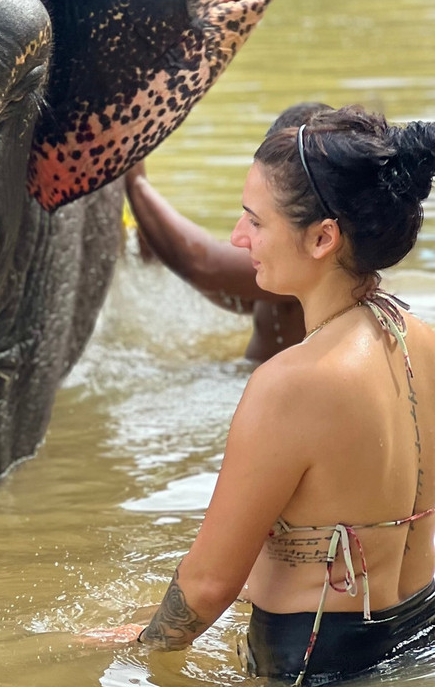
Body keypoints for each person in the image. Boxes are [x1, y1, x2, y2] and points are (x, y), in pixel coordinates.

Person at [106, 105, 435, 684]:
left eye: (255, 221)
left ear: (322, 238)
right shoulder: (424, 341)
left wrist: (133, 647)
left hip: (313, 664)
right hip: (417, 632)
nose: (238, 237)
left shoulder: (290, 384)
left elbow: (208, 584)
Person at [123, 102, 333, 363]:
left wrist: (134, 179)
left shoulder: (304, 255)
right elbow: (234, 292)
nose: (239, 237)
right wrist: (154, 239)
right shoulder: (328, 258)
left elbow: (203, 264)